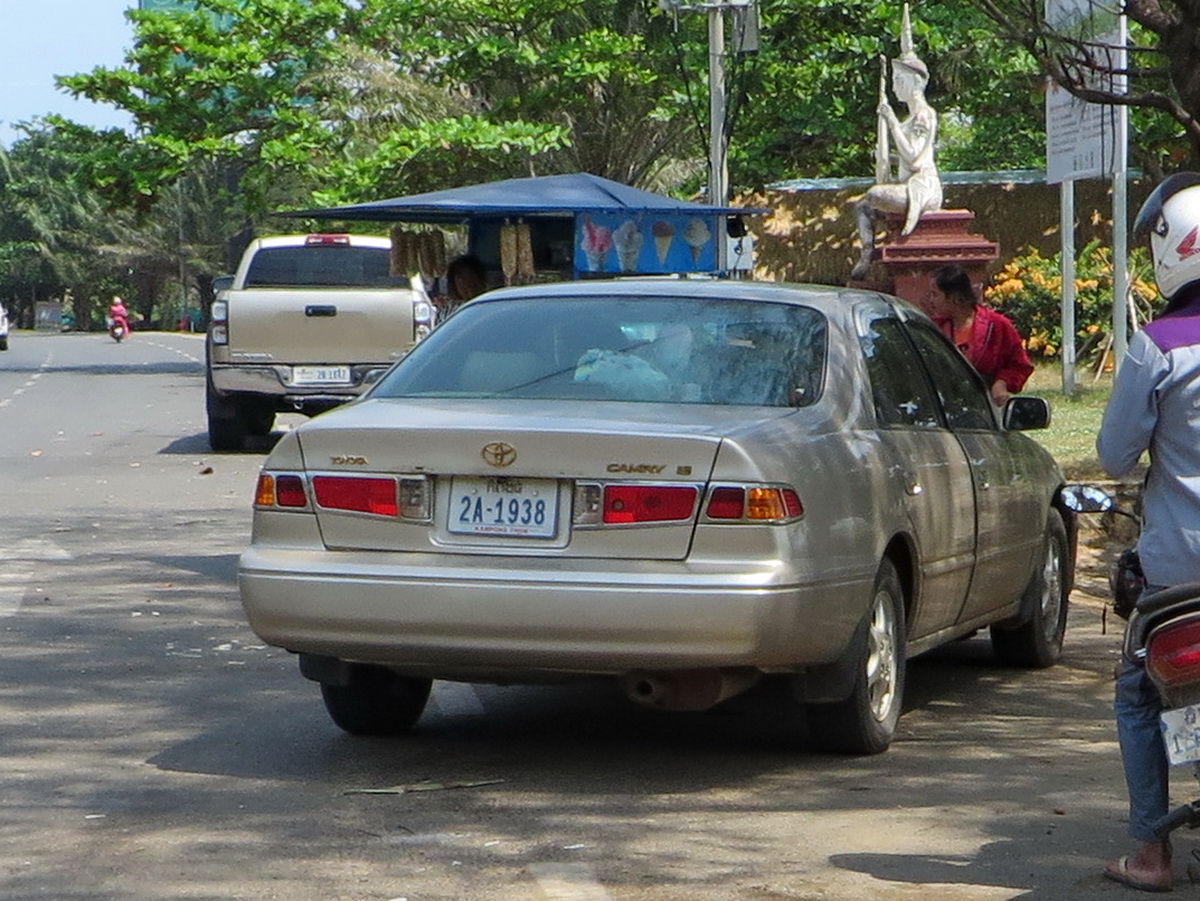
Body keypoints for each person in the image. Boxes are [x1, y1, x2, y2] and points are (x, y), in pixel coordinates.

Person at [1097, 172, 1200, 894]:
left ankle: (1151, 853)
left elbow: (1112, 454)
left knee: (1138, 693)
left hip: (1177, 571)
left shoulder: (1155, 346)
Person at [851, 5, 943, 280]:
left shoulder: (924, 115)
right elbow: (905, 156)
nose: (894, 87)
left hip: (922, 185)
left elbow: (915, 157)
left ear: (913, 82)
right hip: (907, 182)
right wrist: (886, 158)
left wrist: (891, 121)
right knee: (861, 206)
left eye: (898, 81)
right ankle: (867, 251)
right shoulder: (910, 118)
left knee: (875, 194)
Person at [928, 264, 1033, 405]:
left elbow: (1020, 365)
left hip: (986, 408)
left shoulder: (997, 325)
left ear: (954, 297)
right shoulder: (933, 328)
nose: (930, 301)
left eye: (935, 295)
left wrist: (1002, 383)